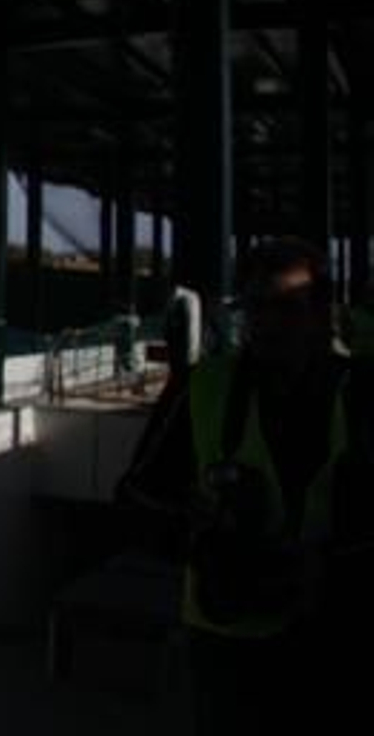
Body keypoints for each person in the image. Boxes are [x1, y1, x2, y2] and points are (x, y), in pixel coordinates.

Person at [122, 239, 371, 733]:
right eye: (256, 306)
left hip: (335, 639)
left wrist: (327, 567)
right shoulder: (203, 387)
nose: (268, 323)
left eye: (286, 307)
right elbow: (134, 498)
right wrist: (200, 539)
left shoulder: (362, 397)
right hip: (227, 643)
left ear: (322, 312)